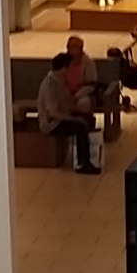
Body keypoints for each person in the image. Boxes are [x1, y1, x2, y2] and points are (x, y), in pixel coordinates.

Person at [40, 36, 102, 174]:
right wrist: (73, 118)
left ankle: (83, 154)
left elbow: (67, 103)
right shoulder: (50, 84)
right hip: (51, 123)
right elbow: (52, 112)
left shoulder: (59, 82)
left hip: (60, 117)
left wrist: (80, 111)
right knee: (80, 126)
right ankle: (84, 162)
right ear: (62, 69)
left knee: (87, 119)